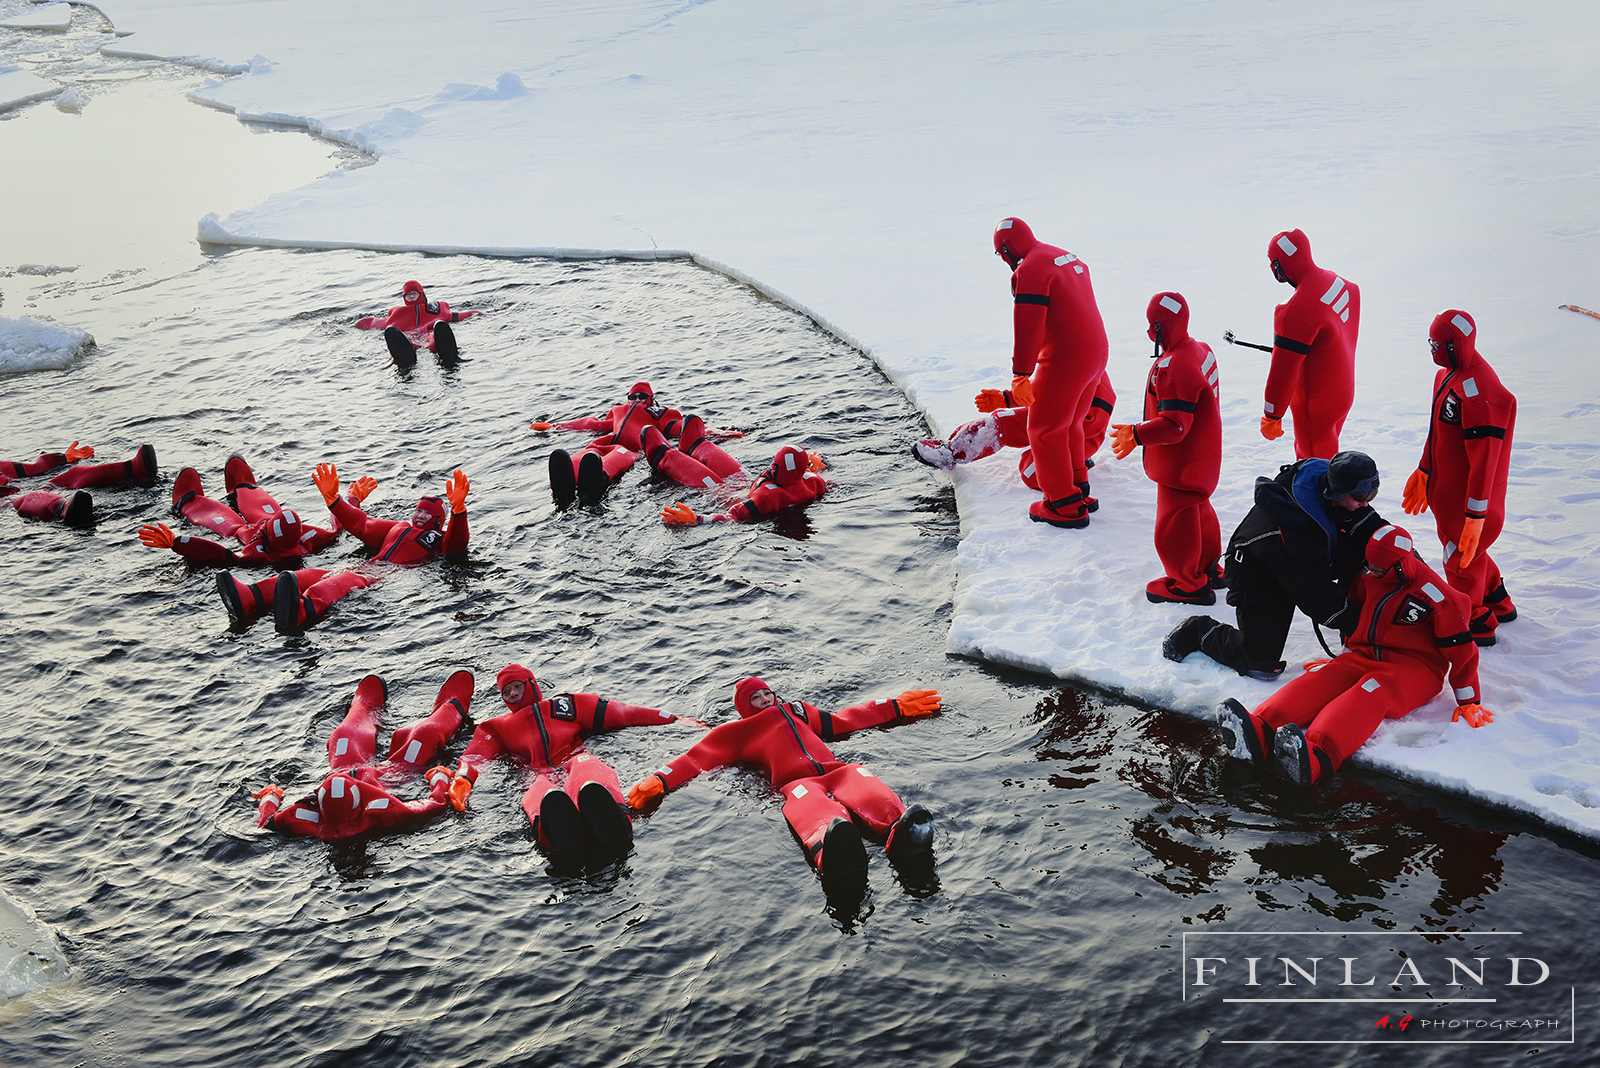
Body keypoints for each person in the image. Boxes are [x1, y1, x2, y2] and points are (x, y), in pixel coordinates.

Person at [1213, 524, 1492, 787]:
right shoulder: (1368, 576)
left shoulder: (1439, 598)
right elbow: (1355, 616)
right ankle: (1260, 727)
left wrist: (1469, 699)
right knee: (1325, 677)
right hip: (1362, 654)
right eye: (1369, 565)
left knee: (1370, 692)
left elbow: (1462, 651)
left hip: (1413, 669)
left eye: (1379, 569)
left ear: (1400, 565)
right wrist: (1346, 650)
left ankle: (1317, 755)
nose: (1372, 572)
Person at [625, 676, 940, 892]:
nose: (764, 699)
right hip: (797, 785)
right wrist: (661, 779)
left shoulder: (799, 710)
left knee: (861, 778)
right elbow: (695, 759)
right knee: (813, 810)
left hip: (837, 770)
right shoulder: (736, 733)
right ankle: (832, 851)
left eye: (766, 693)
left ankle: (901, 830)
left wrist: (894, 705)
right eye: (755, 698)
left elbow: (844, 720)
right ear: (744, 708)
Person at [1162, 451, 1387, 679]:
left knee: (1366, 549)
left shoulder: (1330, 481)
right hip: (1257, 571)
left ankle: (1354, 638)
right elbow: (1317, 597)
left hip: (1300, 558)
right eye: (1359, 499)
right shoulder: (1296, 535)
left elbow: (1369, 525)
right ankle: (1196, 630)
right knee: (1259, 665)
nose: (1365, 504)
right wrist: (1364, 622)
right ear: (1336, 492)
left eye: (1369, 498)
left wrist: (1398, 553)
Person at [444, 664, 692, 857]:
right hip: (537, 773)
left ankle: (615, 813)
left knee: (587, 767)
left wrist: (674, 720)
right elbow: (474, 757)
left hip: (575, 761)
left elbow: (625, 713)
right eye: (506, 692)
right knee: (540, 788)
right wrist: (463, 779)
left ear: (531, 684)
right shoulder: (496, 727)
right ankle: (549, 831)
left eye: (516, 687)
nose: (512, 694)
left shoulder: (567, 705)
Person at [214, 463, 469, 633]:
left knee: (339, 580)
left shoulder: (438, 540)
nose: (421, 515)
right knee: (313, 574)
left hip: (383, 578)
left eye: (427, 513)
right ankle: (249, 597)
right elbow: (362, 524)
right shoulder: (399, 526)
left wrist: (459, 513)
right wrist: (335, 501)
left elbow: (456, 544)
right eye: (419, 510)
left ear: (438, 520)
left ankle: (300, 611)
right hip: (368, 567)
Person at [1401, 310, 1517, 646]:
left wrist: (1476, 516)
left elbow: (1485, 463)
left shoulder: (1481, 393)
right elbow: (1437, 432)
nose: (1432, 350)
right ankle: (1496, 596)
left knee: (1461, 561)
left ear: (1456, 346)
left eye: (1437, 344)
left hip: (1470, 507)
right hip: (1450, 499)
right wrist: (1425, 469)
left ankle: (1474, 621)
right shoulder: (1447, 377)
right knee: (1472, 555)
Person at [252, 671, 474, 840]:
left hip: (344, 771)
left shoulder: (301, 815)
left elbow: (265, 821)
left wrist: (269, 795)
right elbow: (435, 804)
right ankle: (451, 706)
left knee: (343, 736)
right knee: (422, 737)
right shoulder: (386, 810)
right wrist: (440, 776)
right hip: (390, 776)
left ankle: (362, 707)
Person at [992, 217, 1110, 528]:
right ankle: (1078, 487)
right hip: (1097, 354)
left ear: (1007, 250)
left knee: (1043, 430)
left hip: (1066, 357)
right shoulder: (1065, 256)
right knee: (1070, 424)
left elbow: (1028, 326)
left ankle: (1063, 504)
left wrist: (1021, 374)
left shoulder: (1031, 269)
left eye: (1001, 255)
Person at [1109, 292, 1223, 605]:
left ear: (1162, 328)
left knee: (1173, 524)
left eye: (1152, 326)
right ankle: (1210, 568)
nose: (1148, 333)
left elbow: (1175, 426)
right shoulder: (1202, 350)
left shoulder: (1174, 367)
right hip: (1205, 458)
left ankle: (1187, 583)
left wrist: (1136, 435)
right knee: (1200, 512)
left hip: (1181, 466)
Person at [911, 372, 1117, 492]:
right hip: (1055, 417)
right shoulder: (1068, 356)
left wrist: (1042, 434)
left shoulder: (1094, 373)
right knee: (1002, 420)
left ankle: (1073, 466)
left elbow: (1092, 425)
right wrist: (1006, 398)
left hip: (1075, 436)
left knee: (1031, 473)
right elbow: (1046, 386)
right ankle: (951, 451)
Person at [138, 456, 354, 566]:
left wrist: (176, 543)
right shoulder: (309, 538)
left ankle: (189, 501)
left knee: (231, 526)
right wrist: (343, 499)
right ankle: (242, 487)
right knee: (263, 507)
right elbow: (340, 526)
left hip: (241, 530)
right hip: (267, 519)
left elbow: (221, 554)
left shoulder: (257, 552)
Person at [1260, 229, 1360, 460]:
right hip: (1343, 392)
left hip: (1314, 404)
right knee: (1328, 457)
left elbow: (1282, 372)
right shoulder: (1342, 284)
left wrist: (1272, 413)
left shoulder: (1293, 310)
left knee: (1314, 469)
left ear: (1281, 265)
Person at [660, 445, 825, 527]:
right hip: (749, 488)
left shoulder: (766, 498)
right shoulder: (815, 482)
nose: (771, 469)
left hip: (734, 497)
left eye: (774, 466)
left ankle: (669, 454)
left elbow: (731, 517)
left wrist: (696, 519)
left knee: (715, 487)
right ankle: (694, 445)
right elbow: (796, 471)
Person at [355, 280, 478, 362]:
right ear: (404, 297)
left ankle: (446, 351)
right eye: (408, 294)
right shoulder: (396, 314)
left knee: (438, 328)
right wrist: (346, 326)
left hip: (429, 335)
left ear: (422, 294)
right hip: (409, 339)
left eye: (414, 293)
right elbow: (372, 322)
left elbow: (459, 315)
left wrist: (487, 314)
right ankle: (404, 357)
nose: (411, 296)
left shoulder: (436, 309)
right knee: (394, 333)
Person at [0, 441, 157, 489]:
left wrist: (63, 458)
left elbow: (27, 469)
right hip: (12, 500)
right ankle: (134, 470)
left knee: (70, 474)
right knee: (67, 478)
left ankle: (133, 468)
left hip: (13, 487)